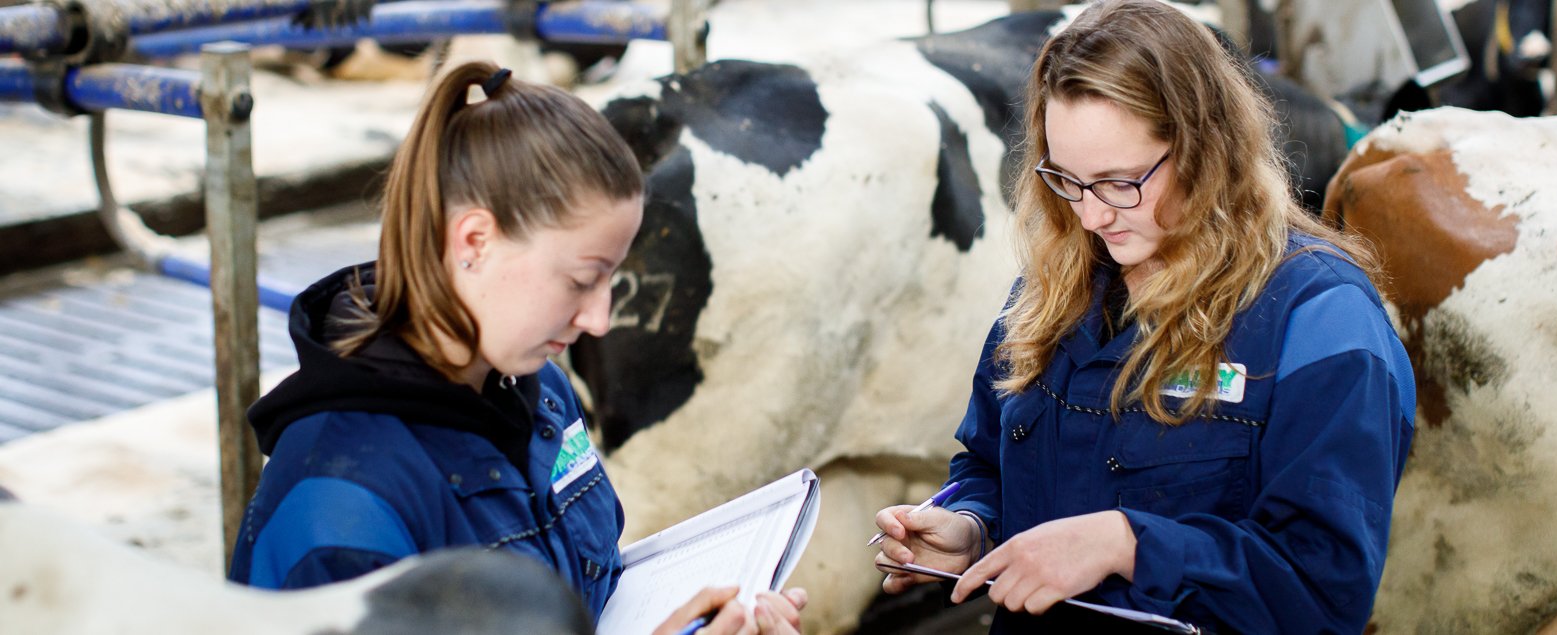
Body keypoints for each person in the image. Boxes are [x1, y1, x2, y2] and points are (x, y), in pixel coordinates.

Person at [871, 1, 1415, 633]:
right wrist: (970, 527)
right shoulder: (1053, 289)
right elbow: (988, 461)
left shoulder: (1322, 324)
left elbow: (1324, 590)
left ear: (1208, 150)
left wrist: (1128, 544)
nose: (1091, 217)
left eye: (1119, 182)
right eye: (1066, 180)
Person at [227, 61, 805, 635]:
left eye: (611, 279)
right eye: (581, 280)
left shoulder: (540, 387)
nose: (599, 319)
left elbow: (594, 588)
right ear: (474, 241)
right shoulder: (339, 509)